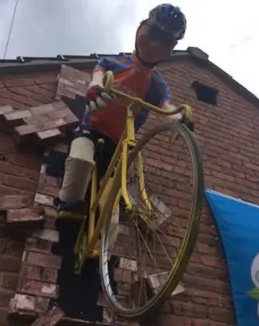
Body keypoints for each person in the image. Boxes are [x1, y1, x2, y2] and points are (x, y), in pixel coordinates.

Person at [55, 4, 193, 220]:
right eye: (155, 34)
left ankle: (103, 249)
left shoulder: (158, 85)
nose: (156, 44)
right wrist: (95, 86)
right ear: (142, 29)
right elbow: (99, 72)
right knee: (80, 159)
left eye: (165, 41)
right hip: (92, 128)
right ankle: (68, 203)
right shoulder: (115, 62)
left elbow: (165, 107)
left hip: (119, 143)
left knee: (112, 202)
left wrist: (179, 119)